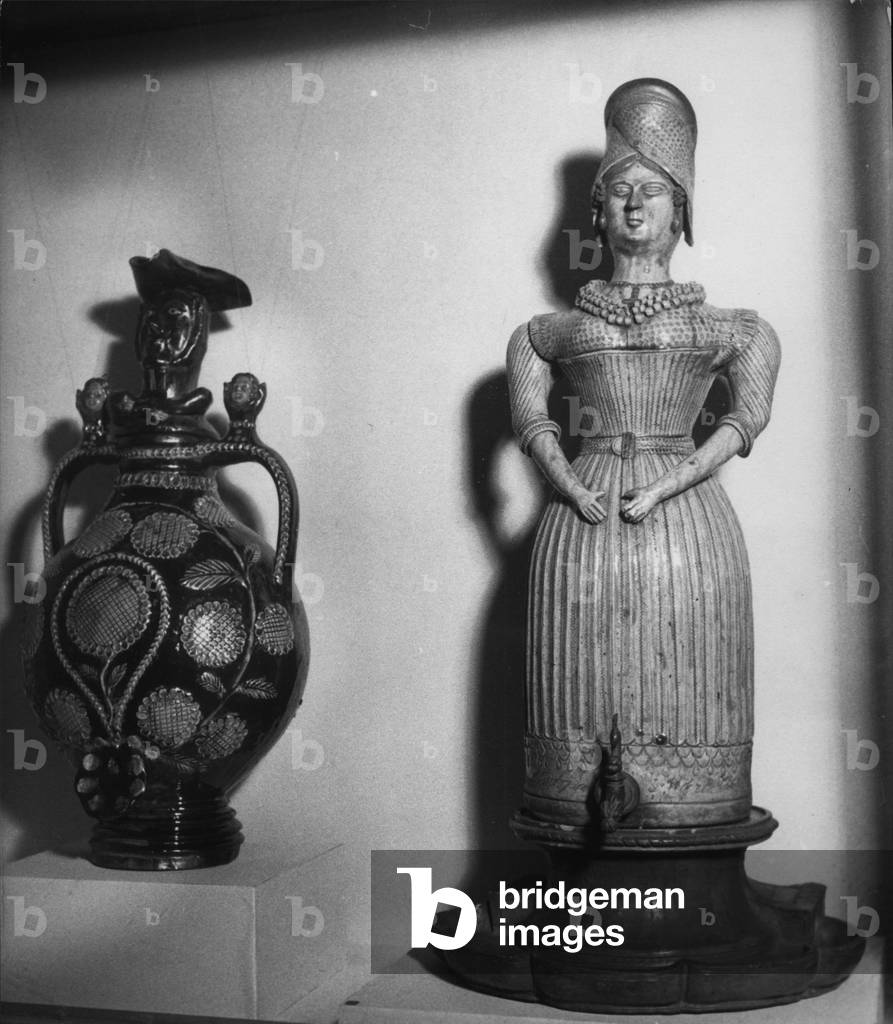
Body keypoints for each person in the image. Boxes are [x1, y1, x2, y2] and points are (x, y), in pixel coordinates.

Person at [507, 79, 781, 829]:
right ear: (597, 208)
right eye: (620, 190)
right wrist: (565, 482)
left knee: (692, 690)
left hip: (689, 533)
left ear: (681, 207)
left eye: (653, 192)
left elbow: (746, 416)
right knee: (576, 706)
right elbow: (531, 420)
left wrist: (671, 483)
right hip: (581, 524)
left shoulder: (735, 327)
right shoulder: (547, 330)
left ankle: (688, 818)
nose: (635, 206)